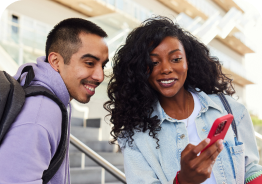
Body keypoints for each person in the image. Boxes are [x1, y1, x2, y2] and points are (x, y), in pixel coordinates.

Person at [104, 16, 262, 184]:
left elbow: (251, 170)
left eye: (176, 59)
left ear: (188, 61)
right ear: (141, 69)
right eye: (154, 62)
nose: (166, 69)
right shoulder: (134, 137)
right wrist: (183, 181)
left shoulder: (231, 109)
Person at [0, 18, 108, 183]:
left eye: (103, 65)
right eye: (89, 63)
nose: (100, 76)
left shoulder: (47, 98)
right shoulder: (41, 113)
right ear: (56, 61)